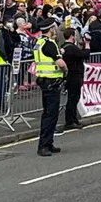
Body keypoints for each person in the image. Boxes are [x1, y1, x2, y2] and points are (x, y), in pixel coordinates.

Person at [33, 22, 65, 157]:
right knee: (50, 115)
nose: (56, 31)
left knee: (48, 114)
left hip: (44, 80)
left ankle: (48, 142)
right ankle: (44, 145)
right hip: (52, 82)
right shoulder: (50, 44)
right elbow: (60, 63)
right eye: (55, 28)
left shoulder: (39, 42)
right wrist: (65, 70)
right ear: (51, 29)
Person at [60, 23, 90, 131]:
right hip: (74, 75)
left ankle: (73, 119)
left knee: (73, 98)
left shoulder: (63, 47)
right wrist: (87, 44)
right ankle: (70, 121)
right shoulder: (72, 48)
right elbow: (85, 55)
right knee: (73, 99)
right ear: (72, 36)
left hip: (69, 75)